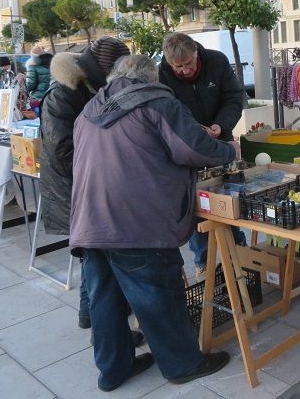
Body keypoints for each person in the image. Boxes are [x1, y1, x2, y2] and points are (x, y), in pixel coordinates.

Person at [71, 54, 234, 391]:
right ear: (152, 77)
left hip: (90, 219)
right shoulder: (156, 102)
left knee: (106, 300)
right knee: (158, 293)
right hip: (136, 219)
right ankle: (182, 363)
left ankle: (114, 369)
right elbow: (194, 148)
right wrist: (229, 150)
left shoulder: (90, 108)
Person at [39, 36, 130, 331]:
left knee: (95, 259)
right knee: (96, 260)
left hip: (93, 183)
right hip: (76, 188)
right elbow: (62, 151)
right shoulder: (64, 93)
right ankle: (104, 328)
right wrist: (109, 162)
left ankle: (91, 316)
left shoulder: (93, 87)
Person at [158, 32, 246, 278]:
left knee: (231, 196)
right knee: (197, 203)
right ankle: (204, 263)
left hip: (222, 138)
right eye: (178, 67)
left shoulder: (216, 61)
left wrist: (220, 124)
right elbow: (167, 113)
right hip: (188, 145)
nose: (184, 71)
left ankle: (238, 251)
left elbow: (233, 97)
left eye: (188, 64)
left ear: (196, 53)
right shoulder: (161, 74)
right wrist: (196, 132)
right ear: (169, 63)